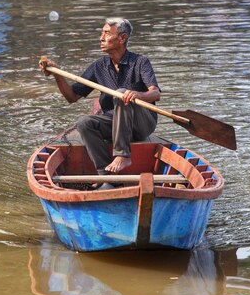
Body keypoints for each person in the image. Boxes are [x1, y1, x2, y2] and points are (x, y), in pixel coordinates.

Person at [40, 18, 161, 185]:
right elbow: (72, 97)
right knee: (84, 122)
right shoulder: (99, 66)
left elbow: (155, 94)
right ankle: (105, 175)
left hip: (141, 124)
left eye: (106, 33)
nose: (101, 38)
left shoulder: (140, 62)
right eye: (101, 33)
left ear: (122, 38)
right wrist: (57, 75)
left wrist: (137, 95)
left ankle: (122, 155)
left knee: (120, 93)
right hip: (114, 125)